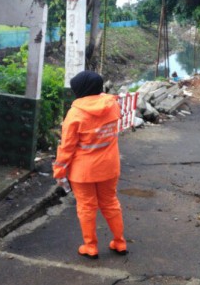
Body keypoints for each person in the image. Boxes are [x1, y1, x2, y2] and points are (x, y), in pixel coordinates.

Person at [53, 71, 127, 259]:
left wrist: (59, 171)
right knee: (110, 203)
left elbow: (66, 147)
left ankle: (90, 246)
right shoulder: (113, 105)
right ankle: (119, 242)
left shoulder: (75, 114)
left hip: (83, 172)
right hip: (110, 167)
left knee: (86, 207)